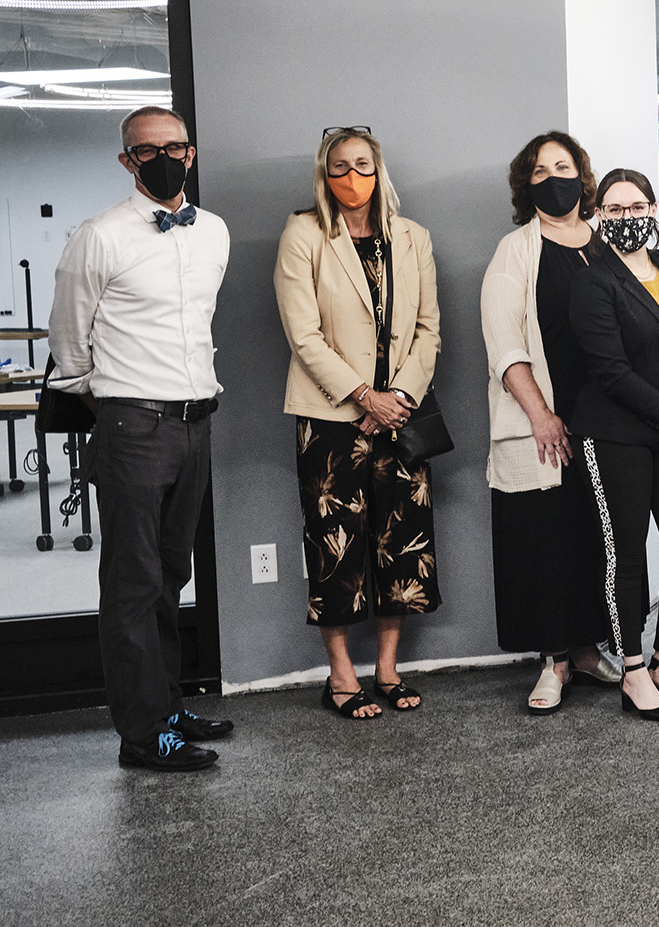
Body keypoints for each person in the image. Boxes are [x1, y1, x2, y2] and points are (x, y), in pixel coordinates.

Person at [48, 105, 232, 771]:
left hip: (196, 422)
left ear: (190, 154)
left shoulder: (213, 232)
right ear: (127, 160)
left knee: (170, 575)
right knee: (133, 582)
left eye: (174, 147)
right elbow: (68, 344)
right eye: (146, 150)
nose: (163, 158)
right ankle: (142, 733)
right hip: (132, 426)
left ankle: (167, 706)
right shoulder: (98, 236)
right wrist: (116, 405)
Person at [274, 126, 442, 718]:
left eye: (363, 164)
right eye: (340, 166)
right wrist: (364, 399)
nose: (353, 176)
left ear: (379, 170)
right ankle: (341, 675)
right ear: (325, 175)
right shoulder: (304, 234)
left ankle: (388, 669)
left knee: (403, 542)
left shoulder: (413, 237)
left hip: (402, 413)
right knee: (334, 545)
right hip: (330, 417)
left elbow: (428, 330)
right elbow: (303, 336)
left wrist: (396, 398)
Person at [571, 169, 659, 722]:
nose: (627, 217)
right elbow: (611, 371)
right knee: (625, 556)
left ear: (653, 209)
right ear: (599, 217)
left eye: (636, 207)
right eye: (614, 209)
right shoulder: (592, 281)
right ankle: (632, 669)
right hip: (617, 437)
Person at [481, 132, 619, 715]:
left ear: (582, 178)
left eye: (563, 167)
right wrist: (541, 415)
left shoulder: (608, 241)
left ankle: (587, 650)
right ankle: (554, 659)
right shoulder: (516, 250)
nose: (554, 178)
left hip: (609, 420)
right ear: (526, 184)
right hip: (546, 419)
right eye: (541, 171)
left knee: (597, 537)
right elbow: (503, 340)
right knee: (546, 538)